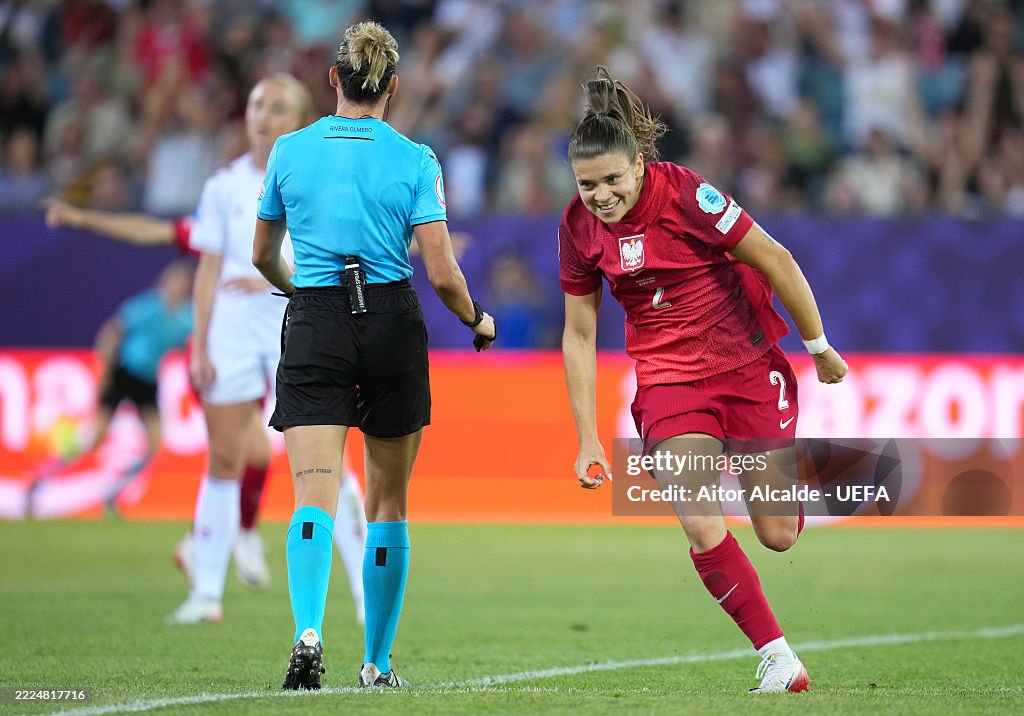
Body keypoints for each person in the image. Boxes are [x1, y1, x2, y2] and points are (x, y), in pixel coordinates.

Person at [559, 67, 848, 694]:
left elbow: (775, 257)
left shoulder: (688, 194)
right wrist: (586, 439)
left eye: (612, 180)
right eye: (587, 185)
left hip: (744, 366)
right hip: (668, 381)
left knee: (777, 535)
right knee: (697, 515)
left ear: (638, 165)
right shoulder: (578, 229)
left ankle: (781, 480)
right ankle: (778, 657)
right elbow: (580, 335)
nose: (601, 196)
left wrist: (818, 346)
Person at [252, 21, 495, 690]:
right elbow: (443, 273)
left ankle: (307, 629)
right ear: (393, 85)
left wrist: (296, 290)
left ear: (332, 79)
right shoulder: (416, 158)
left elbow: (260, 254)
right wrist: (476, 319)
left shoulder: (288, 151)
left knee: (314, 493)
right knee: (388, 502)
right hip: (389, 318)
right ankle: (377, 664)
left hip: (316, 319)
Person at [41, 196, 369, 607]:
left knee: (286, 461)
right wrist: (82, 215)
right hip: (222, 360)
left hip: (285, 350)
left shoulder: (304, 217)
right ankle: (229, 556)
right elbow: (148, 230)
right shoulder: (224, 213)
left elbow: (352, 250)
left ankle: (207, 544)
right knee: (244, 458)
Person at [165, 72, 362, 625]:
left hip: (297, 326)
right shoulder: (223, 186)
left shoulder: (320, 181)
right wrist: (198, 344)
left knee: (332, 468)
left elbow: (338, 260)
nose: (263, 116)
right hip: (229, 333)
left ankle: (367, 597)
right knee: (224, 459)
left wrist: (275, 276)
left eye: (278, 108)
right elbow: (206, 271)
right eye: (256, 104)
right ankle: (206, 593)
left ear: (298, 121)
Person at [26, 260, 193, 516]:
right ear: (164, 282)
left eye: (182, 283)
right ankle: (40, 479)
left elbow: (189, 343)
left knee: (154, 444)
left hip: (147, 381)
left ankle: (113, 494)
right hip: (123, 372)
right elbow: (112, 332)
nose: (177, 287)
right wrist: (103, 369)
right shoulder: (148, 306)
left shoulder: (185, 317)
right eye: (174, 281)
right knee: (95, 437)